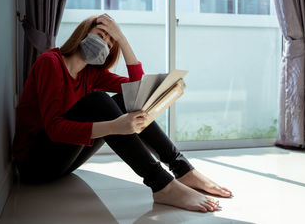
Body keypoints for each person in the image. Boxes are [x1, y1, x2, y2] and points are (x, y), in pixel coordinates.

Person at [13, 14, 232, 212]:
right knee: (98, 101)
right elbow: (54, 129)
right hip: (36, 165)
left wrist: (123, 40)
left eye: (109, 43)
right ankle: (161, 184)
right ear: (83, 32)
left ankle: (182, 168)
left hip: (64, 162)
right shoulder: (50, 63)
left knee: (127, 101)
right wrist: (114, 126)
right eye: (101, 35)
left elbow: (138, 91)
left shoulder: (91, 73)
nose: (104, 44)